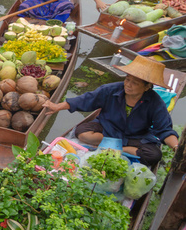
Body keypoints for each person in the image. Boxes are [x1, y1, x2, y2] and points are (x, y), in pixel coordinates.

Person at [43, 56, 178, 166]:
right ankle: (118, 147)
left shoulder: (155, 102)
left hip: (135, 136)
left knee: (154, 155)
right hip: (107, 128)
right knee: (82, 133)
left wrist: (176, 147)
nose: (128, 85)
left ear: (147, 87)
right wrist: (57, 106)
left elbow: (164, 129)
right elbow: (86, 100)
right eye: (127, 79)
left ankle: (117, 149)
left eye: (135, 83)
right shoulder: (111, 90)